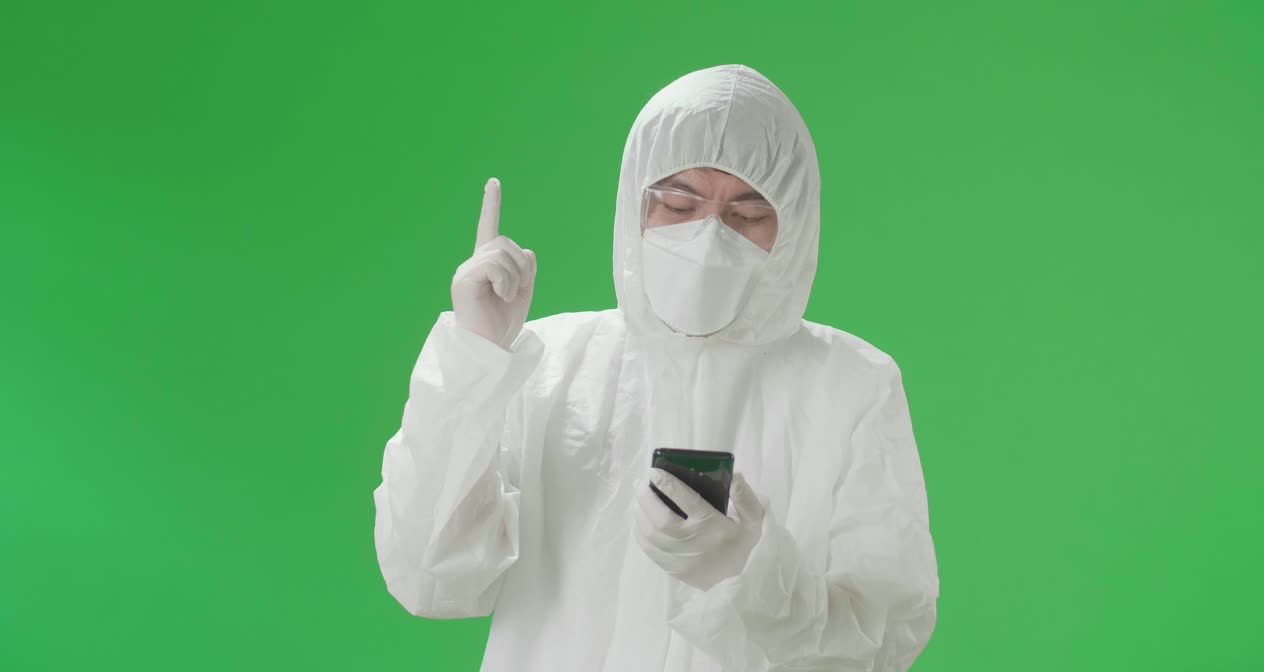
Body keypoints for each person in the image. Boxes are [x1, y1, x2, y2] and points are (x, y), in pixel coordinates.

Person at [373, 64, 939, 671]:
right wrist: (473, 362)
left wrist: (751, 574)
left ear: (793, 227)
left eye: (748, 216)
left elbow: (882, 643)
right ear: (633, 203)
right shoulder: (553, 365)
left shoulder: (850, 385)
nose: (709, 238)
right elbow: (431, 578)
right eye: (677, 203)